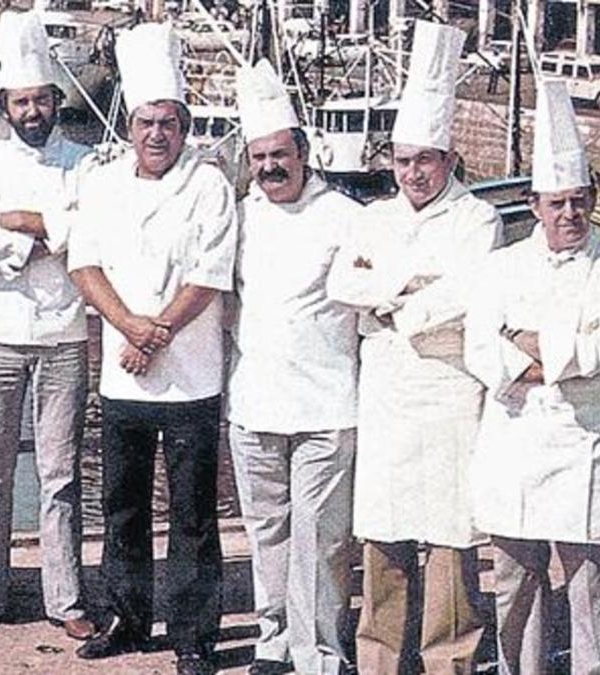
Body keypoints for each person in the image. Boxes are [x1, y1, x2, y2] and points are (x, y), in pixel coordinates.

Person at [325, 21, 502, 674]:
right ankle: (378, 659)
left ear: (449, 160)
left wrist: (389, 295)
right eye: (402, 161)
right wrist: (410, 285)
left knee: (452, 540)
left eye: (425, 160)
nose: (413, 173)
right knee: (384, 536)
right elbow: (345, 281)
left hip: (450, 392)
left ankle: (449, 660)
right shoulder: (374, 216)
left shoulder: (478, 219)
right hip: (388, 392)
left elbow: (468, 290)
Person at [67, 23, 236, 675]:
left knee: (194, 515)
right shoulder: (105, 183)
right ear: (132, 126)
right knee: (122, 506)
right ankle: (127, 617)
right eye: (146, 122)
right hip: (124, 377)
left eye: (169, 122)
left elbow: (208, 275)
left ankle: (194, 633)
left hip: (190, 378)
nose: (158, 133)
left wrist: (154, 330)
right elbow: (85, 264)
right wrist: (129, 328)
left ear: (185, 125)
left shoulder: (210, 185)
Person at [464, 80, 600, 674]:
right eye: (556, 202)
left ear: (590, 198)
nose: (569, 213)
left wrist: (524, 342)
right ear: (535, 204)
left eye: (578, 200)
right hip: (514, 448)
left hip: (586, 450)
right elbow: (480, 352)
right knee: (515, 586)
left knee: (590, 590)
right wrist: (549, 354)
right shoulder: (500, 267)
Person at [0, 11, 94, 640]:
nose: (31, 110)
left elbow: (86, 230)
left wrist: (20, 222)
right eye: (21, 101)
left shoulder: (87, 164)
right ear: (4, 104)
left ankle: (65, 598)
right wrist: (44, 232)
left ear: (55, 101)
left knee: (60, 473)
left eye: (40, 99)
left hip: (65, 335)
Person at [227, 60, 360, 675]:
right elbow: (223, 298)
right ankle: (273, 643)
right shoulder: (241, 216)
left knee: (319, 541)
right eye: (259, 157)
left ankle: (322, 656)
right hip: (254, 404)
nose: (271, 167)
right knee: (267, 534)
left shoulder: (346, 216)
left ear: (304, 153)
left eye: (280, 154)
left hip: (326, 406)